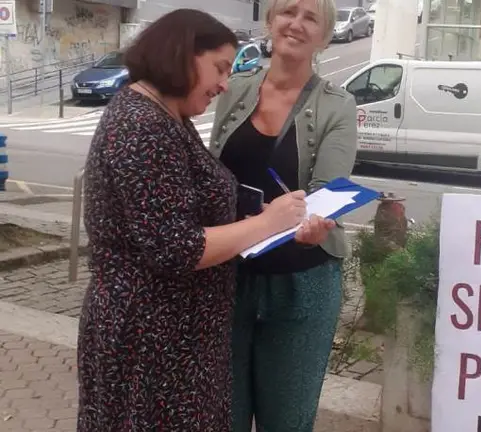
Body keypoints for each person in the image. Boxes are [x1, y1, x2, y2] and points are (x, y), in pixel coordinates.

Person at [77, 9, 331, 431]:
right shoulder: (142, 126)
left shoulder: (165, 117)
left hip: (175, 341)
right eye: (219, 68)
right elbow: (178, 247)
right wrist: (269, 223)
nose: (224, 84)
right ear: (182, 55)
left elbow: (185, 209)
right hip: (151, 343)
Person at [208, 0, 357, 429]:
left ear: (325, 36)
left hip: (302, 282)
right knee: (222, 415)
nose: (296, 23)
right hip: (227, 276)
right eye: (288, 12)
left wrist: (315, 222)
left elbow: (328, 190)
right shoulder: (234, 88)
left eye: (311, 17)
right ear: (270, 21)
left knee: (286, 421)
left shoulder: (337, 105)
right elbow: (212, 171)